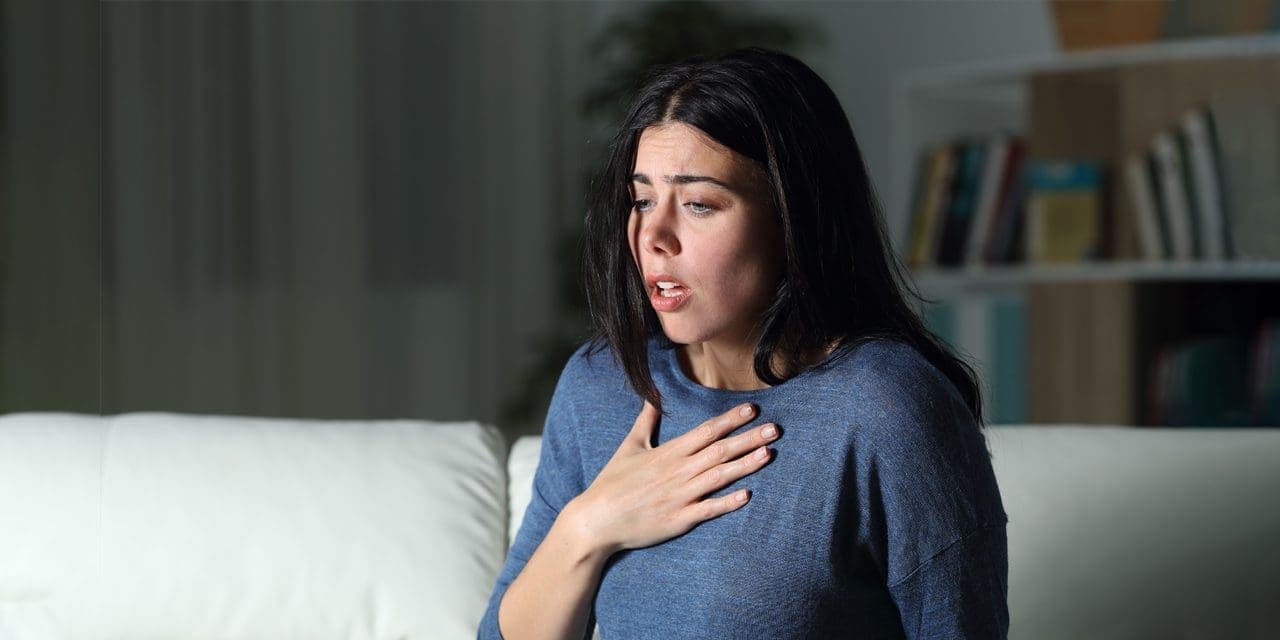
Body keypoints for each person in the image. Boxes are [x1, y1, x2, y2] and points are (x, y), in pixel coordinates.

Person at [478, 47, 1008, 640]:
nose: (654, 236)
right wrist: (591, 525)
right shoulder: (602, 383)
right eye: (642, 199)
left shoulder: (888, 410)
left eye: (699, 204)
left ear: (792, 218)